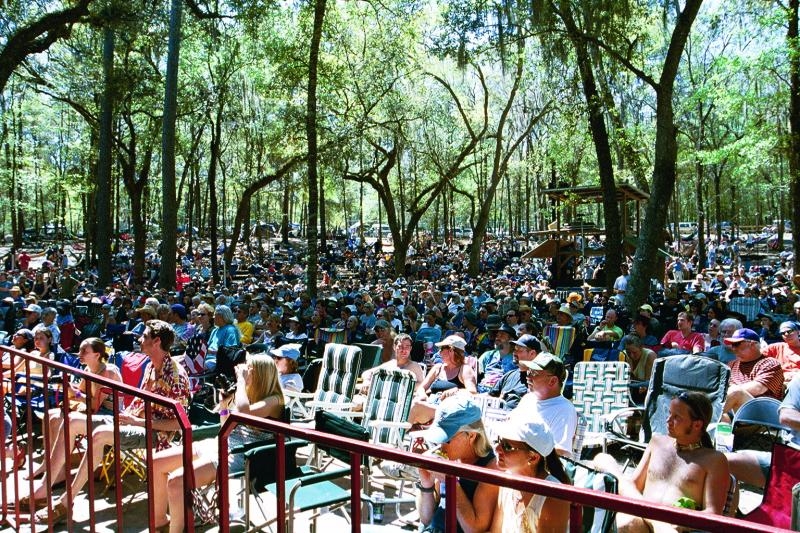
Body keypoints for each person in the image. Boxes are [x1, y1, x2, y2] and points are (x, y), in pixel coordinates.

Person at [29, 320, 190, 525]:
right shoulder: (151, 366)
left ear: (157, 341)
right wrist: (129, 418)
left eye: (145, 336)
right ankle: (44, 488)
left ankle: (66, 501)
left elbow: (179, 424)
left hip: (154, 433)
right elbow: (139, 403)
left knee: (99, 434)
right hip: (131, 420)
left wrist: (136, 421)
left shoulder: (175, 376)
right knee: (71, 420)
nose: (140, 339)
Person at [152, 353, 285, 532]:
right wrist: (223, 406)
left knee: (176, 481)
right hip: (223, 444)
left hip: (244, 455)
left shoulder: (275, 400)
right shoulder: (247, 395)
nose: (244, 372)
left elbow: (244, 413)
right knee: (157, 462)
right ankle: (160, 521)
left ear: (261, 374)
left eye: (249, 370)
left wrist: (241, 381)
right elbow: (225, 427)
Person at [593, 391, 732, 532]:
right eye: (670, 414)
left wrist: (682, 522)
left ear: (697, 425)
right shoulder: (657, 442)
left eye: (677, 417)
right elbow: (633, 486)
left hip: (674, 527)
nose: (668, 420)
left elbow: (713, 513)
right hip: (643, 521)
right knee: (629, 522)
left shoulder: (713, 460)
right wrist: (656, 522)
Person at [25, 338, 123, 482]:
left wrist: (73, 391)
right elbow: (80, 392)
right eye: (80, 350)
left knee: (58, 419)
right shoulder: (89, 369)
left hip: (109, 415)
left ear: (97, 355)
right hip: (94, 411)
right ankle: (48, 463)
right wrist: (67, 386)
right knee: (49, 416)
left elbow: (93, 404)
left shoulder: (107, 372)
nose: (79, 353)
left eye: (84, 351)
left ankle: (59, 471)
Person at [415, 396, 498, 533]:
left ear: (471, 436)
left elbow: (474, 530)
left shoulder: (490, 468)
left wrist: (451, 482)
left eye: (447, 439)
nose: (441, 445)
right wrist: (426, 484)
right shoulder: (449, 456)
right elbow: (426, 519)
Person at [488, 419, 570, 533]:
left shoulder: (554, 496)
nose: (497, 449)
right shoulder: (507, 480)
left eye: (507, 446)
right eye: (498, 441)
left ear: (533, 458)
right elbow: (496, 531)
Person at [726, 374, 800, 488]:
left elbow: (758, 387)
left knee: (736, 392)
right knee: (723, 461)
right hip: (793, 456)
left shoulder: (770, 367)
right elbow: (787, 416)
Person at [511, 353, 577, 455]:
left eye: (534, 373)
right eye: (529, 371)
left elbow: (560, 452)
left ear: (552, 381)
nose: (528, 376)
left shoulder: (564, 410)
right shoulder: (528, 399)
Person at [409, 335, 478, 425]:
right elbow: (421, 388)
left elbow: (472, 392)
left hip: (448, 411)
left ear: (451, 351)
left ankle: (397, 432)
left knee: (415, 406)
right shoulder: (438, 368)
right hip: (431, 404)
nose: (439, 352)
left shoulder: (465, 369)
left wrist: (456, 391)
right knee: (410, 403)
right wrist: (423, 395)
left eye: (441, 349)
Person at [722, 328, 784, 417]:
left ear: (753, 344)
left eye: (737, 344)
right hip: (733, 410)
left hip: (765, 416)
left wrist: (727, 392)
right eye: (732, 345)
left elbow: (758, 388)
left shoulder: (770, 363)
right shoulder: (732, 364)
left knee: (736, 392)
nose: (734, 349)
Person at [485, 334, 542, 410]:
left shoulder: (538, 380)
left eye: (519, 350)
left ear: (532, 353)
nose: (514, 353)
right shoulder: (509, 375)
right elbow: (489, 397)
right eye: (515, 349)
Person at [477, 324, 517, 392]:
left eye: (502, 335)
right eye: (497, 335)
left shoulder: (516, 358)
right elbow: (475, 370)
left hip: (503, 392)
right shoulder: (488, 355)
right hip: (482, 389)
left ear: (511, 339)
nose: (497, 338)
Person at [205, 304, 242, 371]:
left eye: (215, 315)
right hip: (206, 358)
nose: (213, 318)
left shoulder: (230, 330)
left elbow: (230, 352)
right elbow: (207, 346)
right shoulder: (215, 330)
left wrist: (212, 352)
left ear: (222, 317)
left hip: (218, 361)